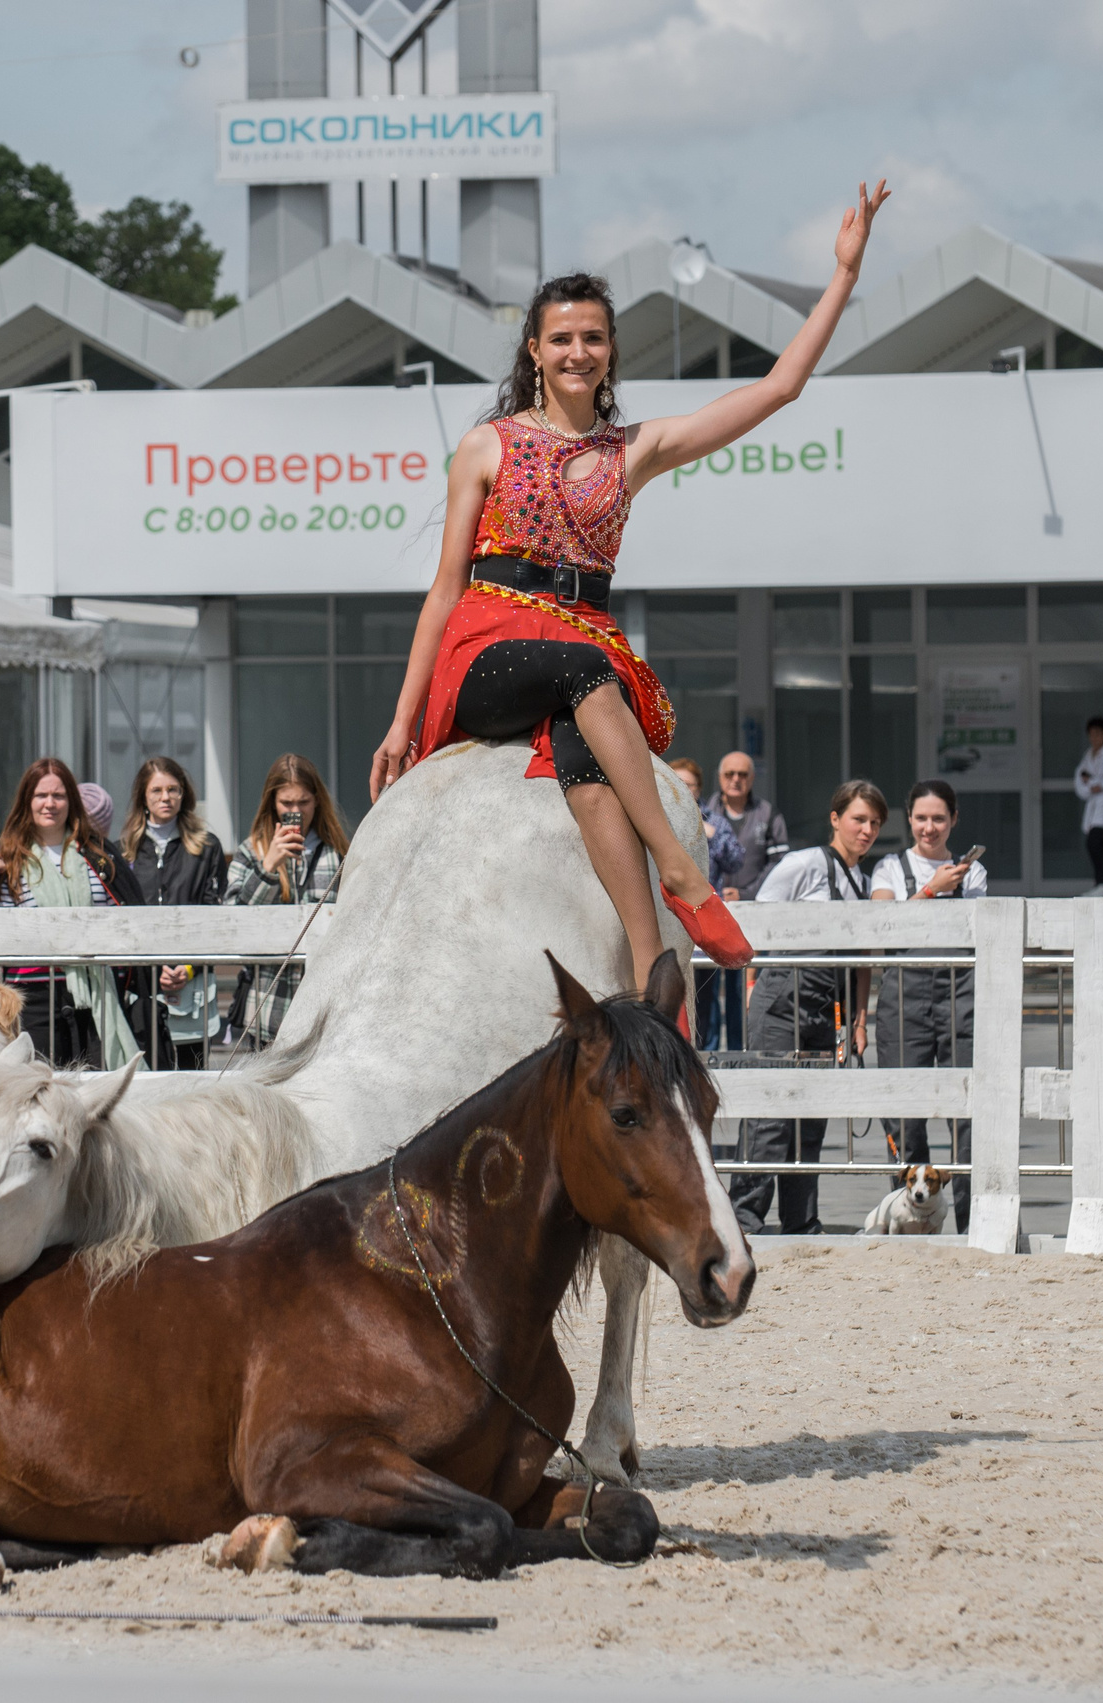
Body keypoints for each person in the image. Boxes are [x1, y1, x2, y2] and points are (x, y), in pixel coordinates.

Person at [368, 181, 893, 978]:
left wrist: (845, 277)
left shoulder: (633, 450)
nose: (577, 352)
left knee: (590, 761)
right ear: (534, 352)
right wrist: (401, 723)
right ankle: (681, 871)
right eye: (561, 339)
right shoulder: (488, 446)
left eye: (593, 338)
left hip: (582, 645)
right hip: (491, 649)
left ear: (611, 349)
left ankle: (651, 961)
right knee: (587, 667)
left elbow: (778, 388)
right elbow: (443, 590)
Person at [730, 780, 886, 1237]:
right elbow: (758, 923)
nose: (867, 830)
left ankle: (801, 1222)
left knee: (811, 1119)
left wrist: (859, 1019)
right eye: (859, 819)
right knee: (770, 1113)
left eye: (875, 823)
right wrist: (751, 986)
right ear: (835, 819)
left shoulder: (864, 882)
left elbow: (862, 960)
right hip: (783, 997)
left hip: (828, 1005)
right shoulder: (803, 864)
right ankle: (745, 1221)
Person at [870, 779, 986, 1232]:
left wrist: (948, 884)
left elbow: (980, 931)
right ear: (909, 819)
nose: (929, 827)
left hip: (959, 989)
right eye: (921, 818)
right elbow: (882, 928)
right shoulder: (889, 868)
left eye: (939, 818)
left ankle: (974, 1221)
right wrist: (932, 889)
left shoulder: (973, 874)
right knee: (905, 1111)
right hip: (904, 993)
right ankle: (902, 1220)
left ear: (954, 820)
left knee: (967, 1110)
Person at [0, 757, 141, 1069]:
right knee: (41, 1090)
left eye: (59, 795)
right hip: (34, 998)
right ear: (28, 801)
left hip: (98, 994)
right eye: (41, 795)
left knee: (99, 1093)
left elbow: (126, 917)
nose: (50, 803)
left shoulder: (98, 855)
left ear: (71, 801)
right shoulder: (8, 862)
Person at [225, 753, 351, 1050]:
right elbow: (232, 921)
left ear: (317, 800)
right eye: (287, 804)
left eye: (304, 802)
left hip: (325, 1006)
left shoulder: (337, 854)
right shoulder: (251, 851)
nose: (296, 811)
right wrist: (268, 867)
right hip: (269, 1007)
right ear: (272, 802)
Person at [122, 756, 226, 1070]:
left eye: (173, 789)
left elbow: (213, 914)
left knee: (194, 1081)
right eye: (156, 790)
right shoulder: (123, 850)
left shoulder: (207, 847)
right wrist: (152, 972)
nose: (165, 797)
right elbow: (122, 921)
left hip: (191, 983)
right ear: (143, 796)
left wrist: (188, 967)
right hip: (141, 986)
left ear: (184, 794)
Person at [696, 751, 788, 1050]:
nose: (736, 780)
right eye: (729, 774)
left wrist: (747, 893)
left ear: (752, 778)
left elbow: (778, 865)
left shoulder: (768, 814)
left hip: (751, 912)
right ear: (719, 778)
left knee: (741, 984)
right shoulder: (704, 811)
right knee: (706, 986)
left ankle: (739, 1052)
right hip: (708, 910)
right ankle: (707, 1053)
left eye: (743, 774)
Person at [1073, 715, 1103, 892]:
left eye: (1098, 734)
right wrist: (1091, 785)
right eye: (1091, 735)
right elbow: (1080, 777)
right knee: (1095, 843)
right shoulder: (1088, 754)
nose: (1094, 738)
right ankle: (1101, 882)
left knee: (1095, 841)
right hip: (1093, 803)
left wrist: (1093, 783)